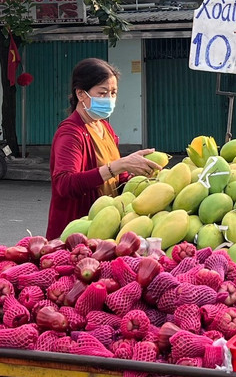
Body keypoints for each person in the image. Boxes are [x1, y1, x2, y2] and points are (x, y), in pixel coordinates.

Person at [47, 58, 159, 240]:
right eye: (102, 93)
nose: (109, 99)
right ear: (81, 94)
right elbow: (64, 184)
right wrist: (119, 165)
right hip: (77, 234)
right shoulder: (70, 133)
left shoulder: (104, 127)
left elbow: (117, 179)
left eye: (113, 93)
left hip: (105, 230)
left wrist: (139, 176)